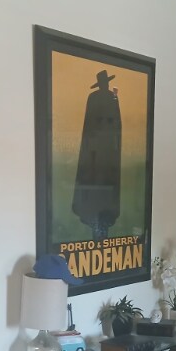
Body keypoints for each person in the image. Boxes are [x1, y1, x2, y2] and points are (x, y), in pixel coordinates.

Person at [72, 69, 122, 240]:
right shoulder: (93, 98)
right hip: (94, 149)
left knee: (105, 183)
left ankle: (102, 224)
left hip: (107, 150)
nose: (104, 85)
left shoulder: (112, 97)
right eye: (103, 82)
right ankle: (94, 221)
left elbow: (117, 123)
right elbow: (89, 122)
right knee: (94, 182)